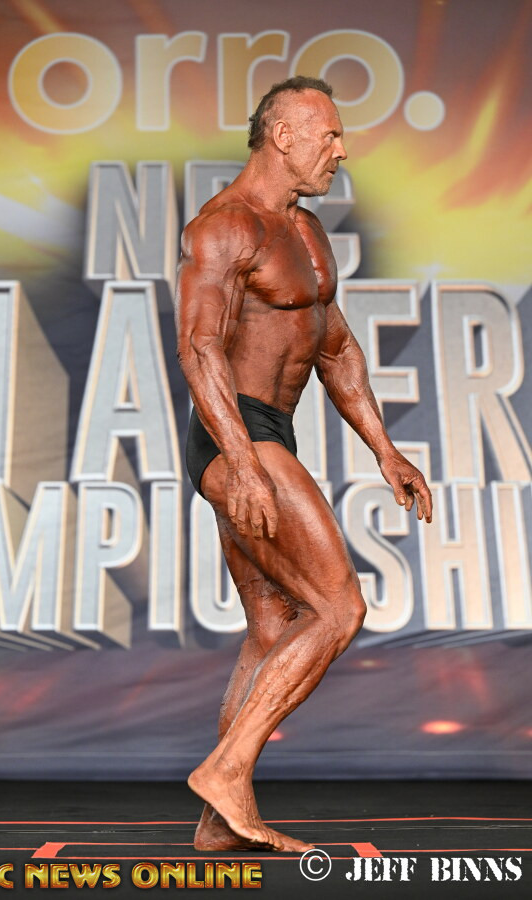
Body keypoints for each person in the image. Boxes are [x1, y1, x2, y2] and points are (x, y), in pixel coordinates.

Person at [174, 76, 433, 853]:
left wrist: (384, 449)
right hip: (235, 433)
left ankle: (219, 821)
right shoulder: (224, 227)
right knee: (339, 608)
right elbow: (199, 348)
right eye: (330, 135)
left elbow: (336, 347)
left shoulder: (308, 232)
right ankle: (225, 772)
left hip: (267, 433)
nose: (341, 151)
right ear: (283, 136)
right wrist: (242, 462)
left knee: (272, 627)